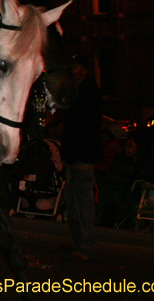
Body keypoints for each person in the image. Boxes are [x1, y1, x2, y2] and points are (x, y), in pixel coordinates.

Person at [59, 55, 102, 261]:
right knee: (73, 200)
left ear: (84, 70)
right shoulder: (77, 91)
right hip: (74, 154)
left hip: (82, 154)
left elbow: (81, 124)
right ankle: (80, 241)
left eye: (76, 67)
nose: (72, 71)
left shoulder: (88, 92)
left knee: (83, 200)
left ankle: (86, 245)